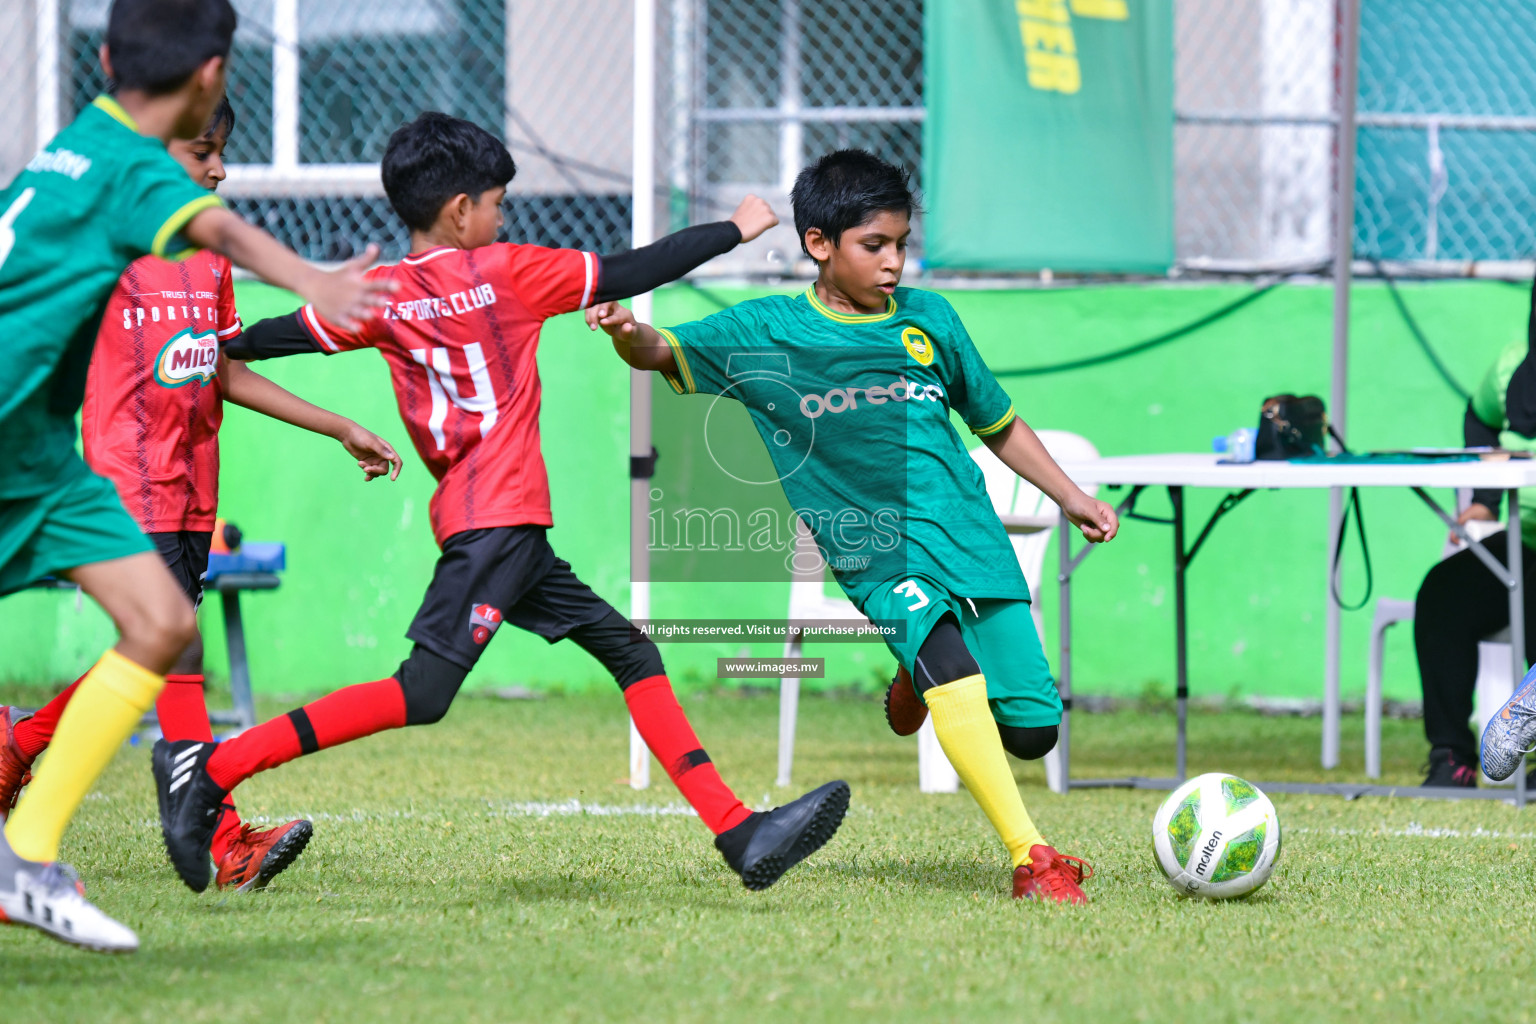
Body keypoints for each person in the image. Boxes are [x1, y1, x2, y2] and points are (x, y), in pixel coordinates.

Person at [156, 112, 850, 896]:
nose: (503, 217)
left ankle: (739, 832)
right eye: (496, 202)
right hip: (499, 522)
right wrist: (736, 227)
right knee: (421, 693)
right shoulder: (510, 271)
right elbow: (633, 268)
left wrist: (212, 343)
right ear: (460, 210)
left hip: (494, 523)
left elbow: (279, 335)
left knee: (631, 652)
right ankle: (213, 770)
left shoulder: (381, 297)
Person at [588, 149, 1119, 904]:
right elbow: (661, 350)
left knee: (1033, 730)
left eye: (902, 244)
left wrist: (1071, 497)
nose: (895, 262)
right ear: (819, 244)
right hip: (873, 549)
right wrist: (623, 330)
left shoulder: (932, 319)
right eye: (876, 246)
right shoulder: (767, 329)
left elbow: (997, 422)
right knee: (955, 673)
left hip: (966, 533)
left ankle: (918, 673)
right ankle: (1032, 856)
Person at [0, 0, 393, 952]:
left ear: (104, 58)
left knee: (166, 629)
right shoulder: (131, 168)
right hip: (61, 457)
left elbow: (209, 344)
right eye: (207, 148)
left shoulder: (73, 155)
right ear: (212, 73)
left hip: (46, 459)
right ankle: (198, 829)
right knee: (167, 643)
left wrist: (336, 420)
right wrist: (314, 280)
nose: (213, 165)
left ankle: (26, 845)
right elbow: (221, 229)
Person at [1425, 277, 1536, 786]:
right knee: (1443, 593)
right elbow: (1479, 417)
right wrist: (1485, 500)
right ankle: (1451, 757)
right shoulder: (1514, 367)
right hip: (1525, 537)